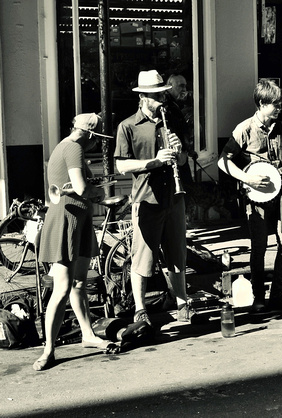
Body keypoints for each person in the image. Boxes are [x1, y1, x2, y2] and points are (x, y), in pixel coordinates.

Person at [217, 79, 282, 313]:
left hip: (281, 197)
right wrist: (246, 179)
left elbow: (281, 163)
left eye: (280, 104)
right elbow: (223, 161)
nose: (279, 108)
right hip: (255, 200)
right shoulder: (244, 129)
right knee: (259, 248)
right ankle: (259, 297)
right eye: (274, 104)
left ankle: (277, 295)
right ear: (261, 104)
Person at [114, 69, 194, 326]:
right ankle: (140, 309)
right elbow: (122, 167)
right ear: (143, 98)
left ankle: (182, 302)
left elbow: (182, 161)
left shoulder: (169, 120)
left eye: (162, 94)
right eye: (157, 96)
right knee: (142, 257)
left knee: (177, 254)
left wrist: (179, 153)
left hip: (173, 197)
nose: (162, 99)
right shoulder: (128, 126)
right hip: (147, 199)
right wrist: (154, 162)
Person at [33, 113, 111, 371]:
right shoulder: (74, 148)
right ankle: (48, 350)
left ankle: (88, 335)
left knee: (78, 283)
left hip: (77, 220)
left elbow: (74, 185)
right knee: (63, 287)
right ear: (89, 134)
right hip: (68, 220)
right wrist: (98, 194)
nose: (96, 145)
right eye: (97, 139)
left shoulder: (64, 146)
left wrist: (92, 188)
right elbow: (80, 187)